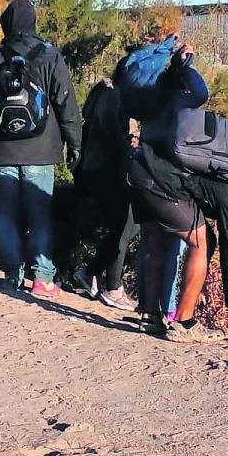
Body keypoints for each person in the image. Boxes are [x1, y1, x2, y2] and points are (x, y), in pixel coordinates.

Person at [130, 41, 228, 344]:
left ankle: (151, 315)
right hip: (160, 176)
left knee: (156, 237)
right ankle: (185, 322)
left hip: (140, 166)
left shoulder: (148, 94)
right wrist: (185, 64)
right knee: (202, 241)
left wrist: (175, 63)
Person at [0, 0, 82, 296]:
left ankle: (11, 276)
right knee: (39, 215)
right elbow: (65, 103)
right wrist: (75, 143)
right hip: (41, 149)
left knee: (6, 215)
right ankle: (42, 280)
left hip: (1, 150)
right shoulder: (50, 56)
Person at [70, 74, 138, 311]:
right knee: (124, 226)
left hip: (97, 171)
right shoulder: (112, 94)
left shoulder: (107, 93)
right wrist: (130, 146)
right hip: (104, 172)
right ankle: (112, 286)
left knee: (124, 227)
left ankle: (90, 273)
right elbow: (110, 130)